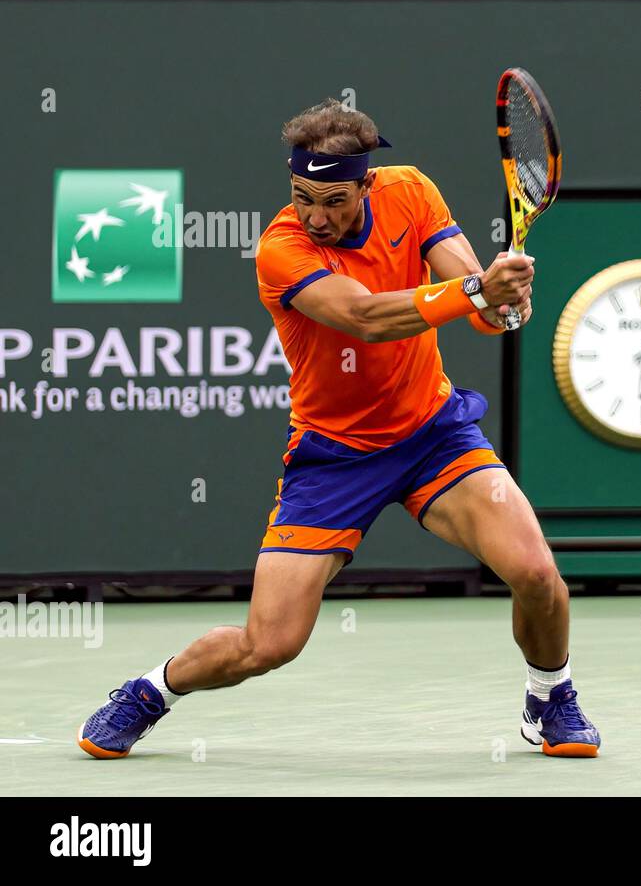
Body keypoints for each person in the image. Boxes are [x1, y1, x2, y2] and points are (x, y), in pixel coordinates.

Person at [77, 99, 600, 761]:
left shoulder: (411, 191)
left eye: (333, 201)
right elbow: (366, 317)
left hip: (432, 435)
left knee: (534, 571)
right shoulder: (281, 249)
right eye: (303, 198)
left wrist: (498, 303)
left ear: (367, 184)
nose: (316, 216)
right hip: (334, 457)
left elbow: (470, 297)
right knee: (268, 645)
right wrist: (476, 294)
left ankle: (551, 696)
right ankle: (153, 691)